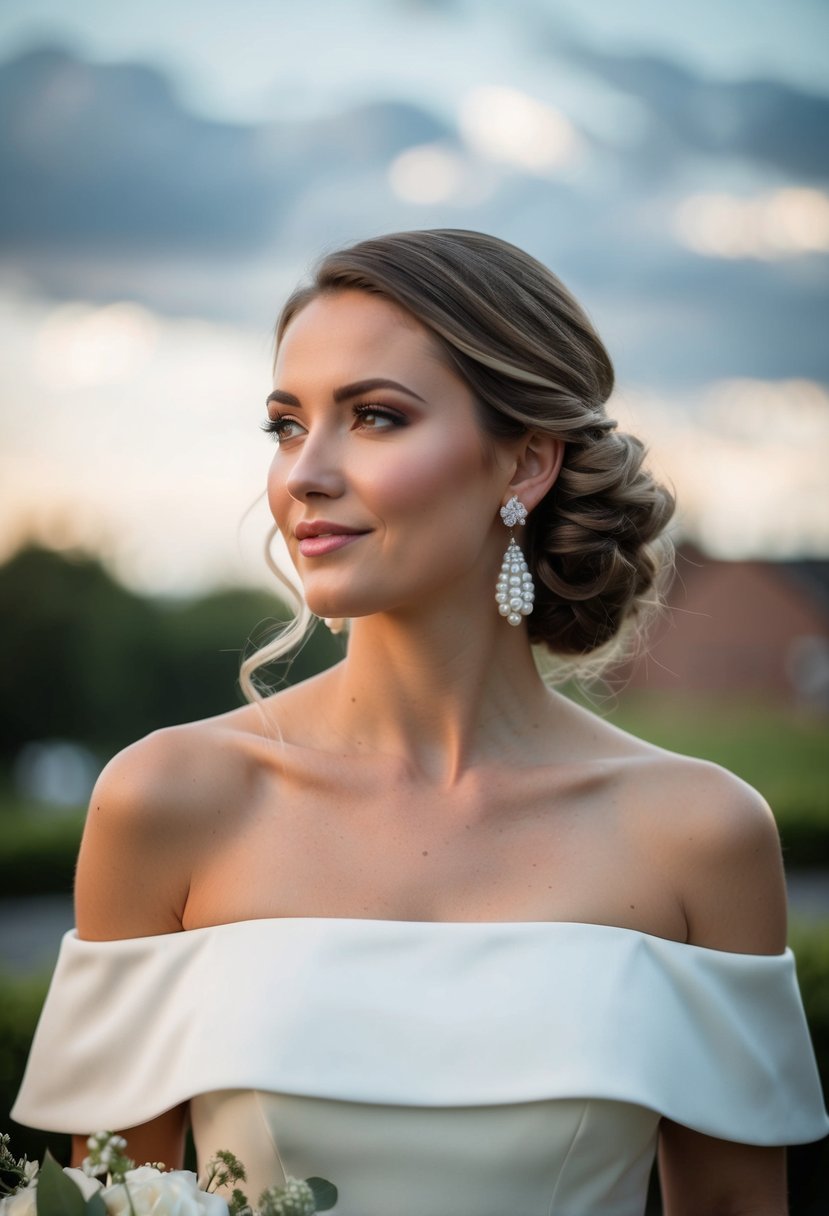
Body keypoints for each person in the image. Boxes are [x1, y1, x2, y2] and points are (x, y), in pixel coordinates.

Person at [13, 229, 828, 1215]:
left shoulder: (699, 836)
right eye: (284, 425)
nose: (302, 474)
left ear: (524, 463)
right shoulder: (168, 803)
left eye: (374, 417)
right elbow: (109, 1195)